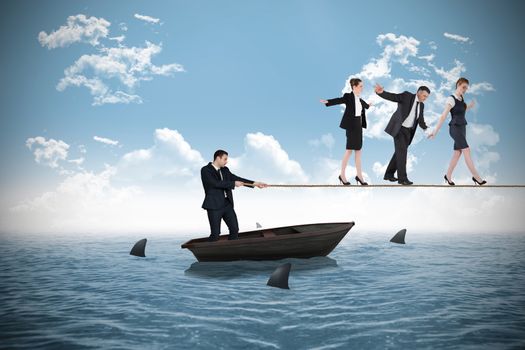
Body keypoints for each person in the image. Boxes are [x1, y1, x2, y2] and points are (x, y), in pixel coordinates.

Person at [428, 77, 486, 185]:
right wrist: (435, 131)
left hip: (462, 128)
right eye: (463, 87)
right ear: (458, 85)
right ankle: (477, 178)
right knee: (466, 150)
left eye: (466, 88)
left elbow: (461, 109)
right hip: (454, 128)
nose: (465, 90)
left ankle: (448, 176)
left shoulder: (461, 98)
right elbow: (443, 116)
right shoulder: (451, 99)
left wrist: (469, 106)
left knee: (457, 153)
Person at [201, 150, 267, 241]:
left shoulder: (225, 170)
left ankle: (231, 250)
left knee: (234, 229)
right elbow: (215, 183)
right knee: (215, 234)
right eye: (225, 159)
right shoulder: (205, 170)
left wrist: (256, 183)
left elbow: (237, 178)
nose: (226, 161)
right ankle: (208, 252)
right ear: (218, 158)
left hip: (227, 204)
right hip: (214, 205)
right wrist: (233, 183)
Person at [374, 83, 430, 185]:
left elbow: (420, 120)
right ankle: (402, 178)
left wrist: (428, 130)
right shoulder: (407, 96)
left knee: (399, 153)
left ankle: (389, 174)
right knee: (402, 153)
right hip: (399, 129)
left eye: (427, 97)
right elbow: (393, 97)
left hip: (408, 132)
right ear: (418, 92)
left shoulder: (421, 105)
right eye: (424, 96)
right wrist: (381, 93)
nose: (425, 98)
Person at [320, 78, 371, 186]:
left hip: (359, 127)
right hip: (351, 127)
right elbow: (339, 100)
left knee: (358, 152)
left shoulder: (359, 99)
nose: (362, 88)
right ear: (355, 87)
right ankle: (342, 175)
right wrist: (328, 102)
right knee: (349, 151)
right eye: (361, 86)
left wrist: (369, 105)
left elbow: (365, 106)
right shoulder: (348, 96)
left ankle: (359, 176)